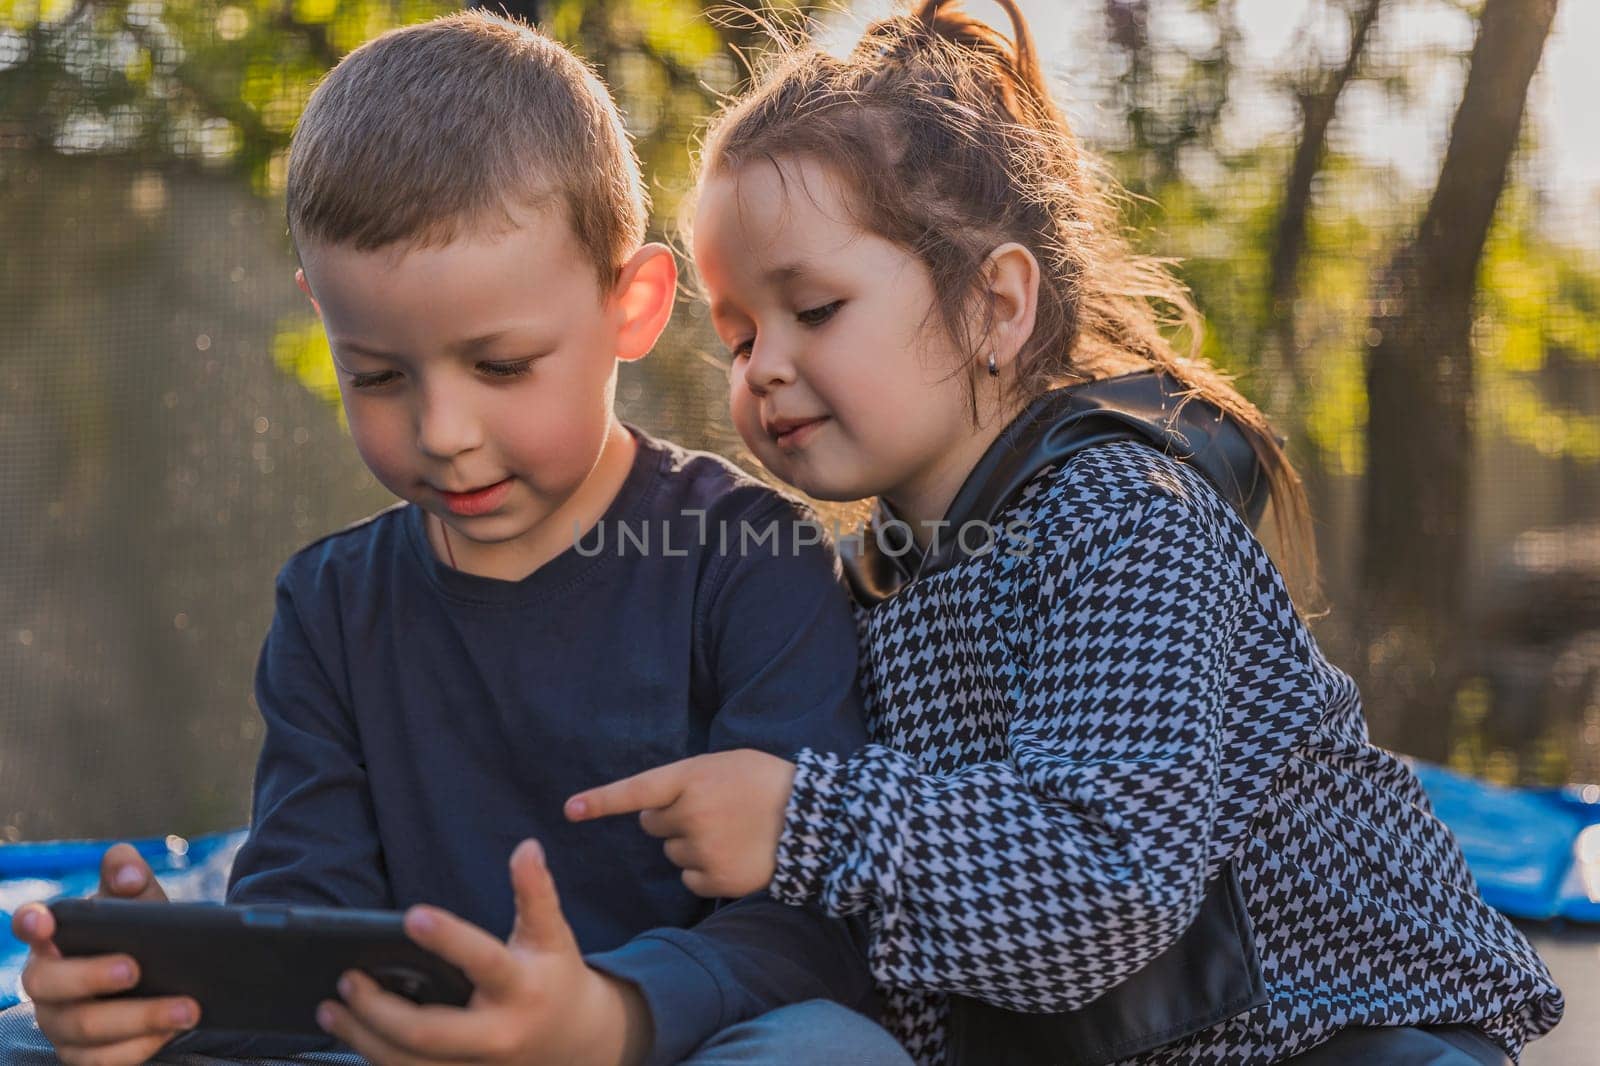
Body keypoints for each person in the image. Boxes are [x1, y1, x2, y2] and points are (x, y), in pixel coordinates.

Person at [565, 2, 1566, 1063]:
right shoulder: (874, 586)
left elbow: (1104, 878)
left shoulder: (1124, 519)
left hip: (1347, 1036)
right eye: (736, 334)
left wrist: (804, 824)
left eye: (812, 310)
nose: (761, 365)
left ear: (997, 305)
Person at [5, 11, 914, 1066]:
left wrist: (602, 1016)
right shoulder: (331, 605)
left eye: (500, 366)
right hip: (402, 1048)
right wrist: (163, 995)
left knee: (830, 1051)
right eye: (378, 376)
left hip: (665, 1042)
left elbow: (805, 930)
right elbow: (306, 913)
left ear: (635, 306)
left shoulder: (746, 557)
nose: (442, 434)